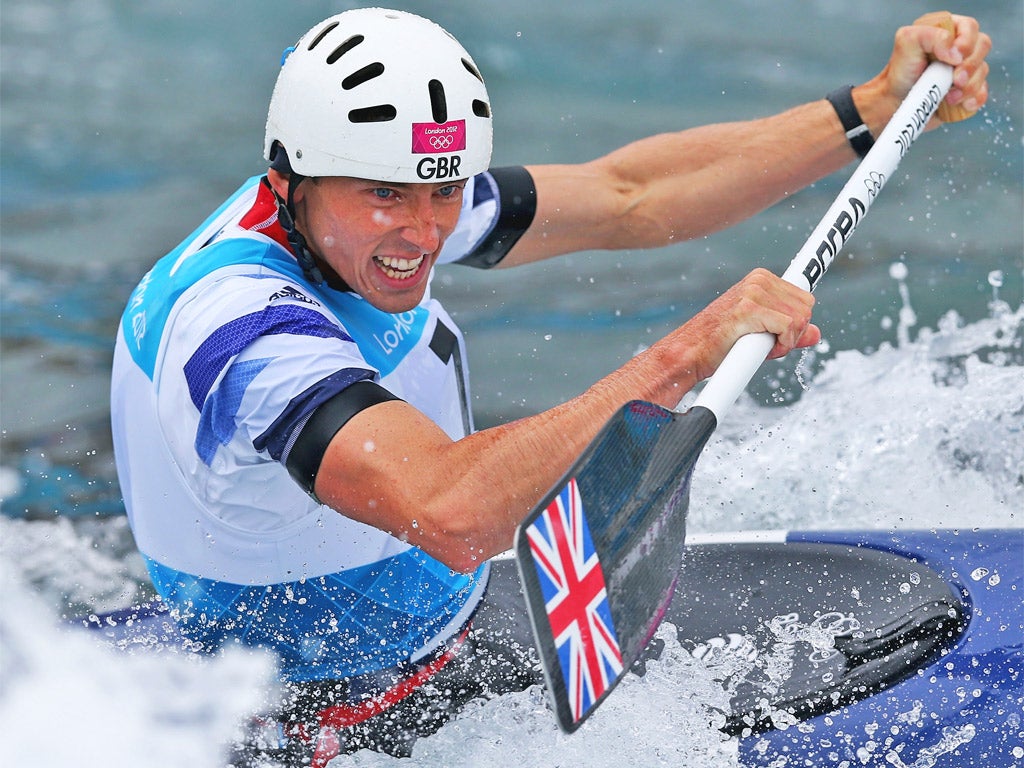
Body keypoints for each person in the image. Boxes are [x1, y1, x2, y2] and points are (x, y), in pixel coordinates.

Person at [109, 7, 991, 764]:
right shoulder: (242, 328)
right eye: (390, 195)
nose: (424, 231)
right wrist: (684, 356)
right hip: (316, 721)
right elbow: (450, 513)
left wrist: (873, 107)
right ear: (285, 181)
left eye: (445, 189)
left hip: (437, 638)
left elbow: (630, 194)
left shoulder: (357, 214)